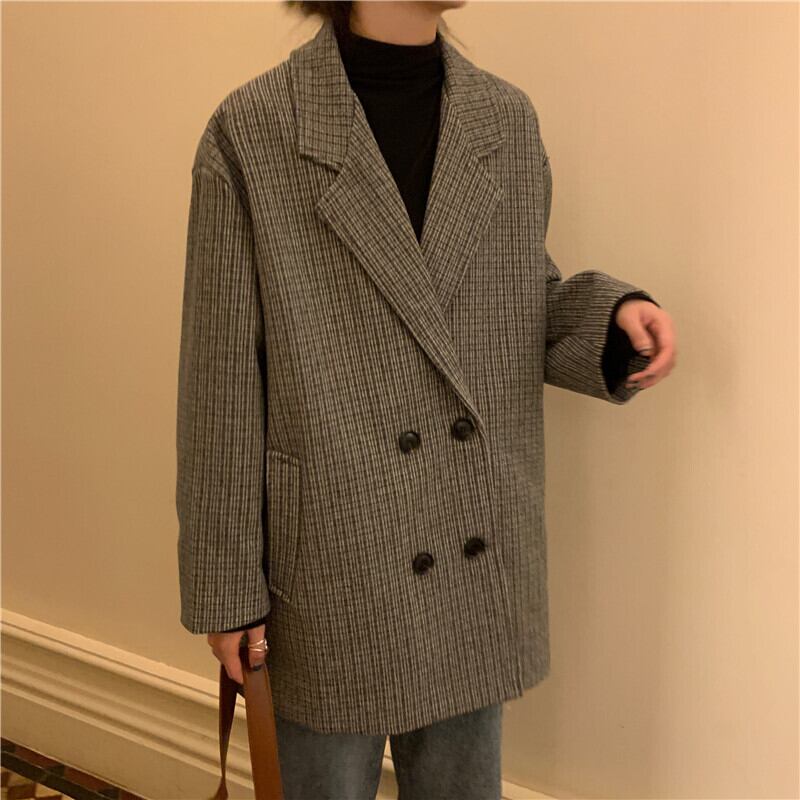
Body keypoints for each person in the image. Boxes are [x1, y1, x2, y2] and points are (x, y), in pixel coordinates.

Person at [175, 2, 677, 798]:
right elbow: (221, 383)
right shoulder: (254, 131)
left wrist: (606, 322)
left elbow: (510, 301)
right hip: (333, 558)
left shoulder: (504, 121)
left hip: (468, 539)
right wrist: (227, 587)